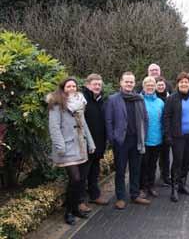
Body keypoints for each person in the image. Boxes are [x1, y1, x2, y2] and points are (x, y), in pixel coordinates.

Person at [48, 77, 96, 225]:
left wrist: (91, 142)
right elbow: (54, 127)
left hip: (80, 146)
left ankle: (75, 208)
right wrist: (60, 146)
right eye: (68, 86)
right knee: (75, 178)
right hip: (66, 148)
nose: (72, 88)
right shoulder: (56, 104)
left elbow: (83, 124)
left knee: (80, 180)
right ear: (63, 88)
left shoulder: (79, 102)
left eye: (74, 86)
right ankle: (68, 211)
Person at [105, 71, 150, 210]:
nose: (129, 84)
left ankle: (135, 195)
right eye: (126, 81)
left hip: (137, 140)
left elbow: (145, 118)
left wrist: (144, 135)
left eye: (131, 81)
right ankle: (120, 198)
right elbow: (108, 120)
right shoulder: (113, 99)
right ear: (121, 82)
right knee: (120, 170)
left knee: (135, 169)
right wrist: (113, 139)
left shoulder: (139, 99)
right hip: (121, 141)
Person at [164, 72, 189, 202]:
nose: (184, 84)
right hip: (177, 136)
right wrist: (168, 135)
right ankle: (174, 189)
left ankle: (182, 185)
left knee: (187, 161)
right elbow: (166, 118)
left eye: (186, 82)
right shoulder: (172, 99)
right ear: (178, 84)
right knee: (178, 161)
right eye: (181, 82)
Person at [79, 73, 108, 212]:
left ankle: (94, 195)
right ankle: (79, 201)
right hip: (85, 144)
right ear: (87, 85)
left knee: (94, 172)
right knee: (82, 174)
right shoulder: (82, 99)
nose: (97, 87)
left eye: (99, 84)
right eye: (94, 84)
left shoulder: (100, 100)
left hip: (98, 143)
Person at [139, 76, 165, 197]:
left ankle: (151, 186)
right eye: (147, 85)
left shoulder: (160, 102)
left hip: (157, 139)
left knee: (153, 165)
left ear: (155, 87)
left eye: (152, 85)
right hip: (144, 140)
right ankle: (143, 188)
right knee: (143, 165)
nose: (150, 87)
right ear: (143, 86)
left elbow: (163, 120)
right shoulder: (139, 100)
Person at [155, 77, 171, 186]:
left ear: (165, 86)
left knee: (165, 156)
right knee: (154, 156)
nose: (160, 87)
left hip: (166, 131)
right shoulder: (153, 97)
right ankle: (150, 178)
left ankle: (165, 176)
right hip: (155, 131)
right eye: (158, 85)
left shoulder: (169, 97)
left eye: (162, 85)